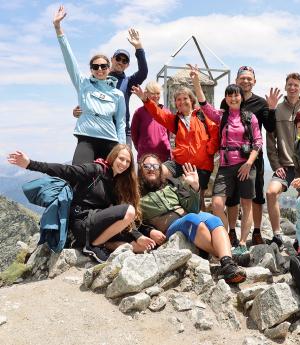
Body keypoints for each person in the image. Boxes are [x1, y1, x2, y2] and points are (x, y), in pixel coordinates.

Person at [7, 144, 156, 263]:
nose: (123, 163)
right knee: (129, 211)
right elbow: (66, 170)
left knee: (138, 246)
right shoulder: (96, 170)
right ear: (113, 157)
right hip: (81, 222)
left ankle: (103, 245)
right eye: (121, 158)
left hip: (96, 224)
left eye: (127, 161)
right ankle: (94, 246)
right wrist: (30, 164)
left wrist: (138, 236)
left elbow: (119, 218)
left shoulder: (118, 184)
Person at [137, 154, 247, 284]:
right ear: (141, 169)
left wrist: (195, 187)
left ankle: (228, 264)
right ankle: (227, 257)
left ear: (160, 169)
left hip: (190, 217)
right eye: (147, 166)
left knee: (214, 220)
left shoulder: (172, 183)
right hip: (170, 228)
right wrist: (149, 231)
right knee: (192, 220)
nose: (151, 169)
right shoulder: (136, 193)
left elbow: (194, 208)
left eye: (155, 166)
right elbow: (134, 222)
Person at [189, 65, 263, 255]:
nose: (233, 98)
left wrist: (248, 163)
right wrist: (196, 80)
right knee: (217, 204)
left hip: (246, 165)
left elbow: (257, 142)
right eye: (230, 95)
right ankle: (223, 238)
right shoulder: (221, 116)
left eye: (236, 95)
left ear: (240, 97)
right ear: (226, 98)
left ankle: (242, 242)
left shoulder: (250, 118)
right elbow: (204, 104)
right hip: (225, 165)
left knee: (246, 204)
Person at [53, 6, 126, 165]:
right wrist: (58, 28)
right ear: (91, 69)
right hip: (86, 137)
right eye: (95, 66)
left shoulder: (117, 94)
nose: (99, 69)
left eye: (103, 66)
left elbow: (121, 122)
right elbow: (69, 59)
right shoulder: (83, 84)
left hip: (110, 140)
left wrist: (122, 147)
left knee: (112, 182)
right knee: (78, 175)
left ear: (109, 68)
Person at [131, 82, 219, 211]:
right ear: (175, 103)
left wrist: (209, 149)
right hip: (180, 163)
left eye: (185, 98)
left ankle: (202, 224)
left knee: (198, 198)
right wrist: (145, 99)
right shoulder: (175, 120)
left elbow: (215, 133)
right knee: (158, 170)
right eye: (178, 99)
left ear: (192, 100)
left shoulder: (202, 115)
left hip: (201, 164)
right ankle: (149, 204)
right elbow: (158, 114)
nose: (182, 102)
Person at [219, 66, 276, 247]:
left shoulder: (260, 103)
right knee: (233, 198)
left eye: (249, 79)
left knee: (255, 196)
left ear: (254, 82)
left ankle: (257, 232)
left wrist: (272, 108)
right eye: (242, 78)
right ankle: (232, 233)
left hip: (253, 159)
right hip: (231, 160)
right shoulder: (226, 101)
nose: (246, 81)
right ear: (236, 81)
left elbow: (270, 127)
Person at [266, 72, 300, 247]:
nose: (292, 87)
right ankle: (277, 235)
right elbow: (270, 139)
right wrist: (275, 165)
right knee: (271, 192)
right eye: (289, 84)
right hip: (285, 165)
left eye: (296, 85)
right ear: (285, 86)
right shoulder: (278, 110)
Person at [73, 29, 148, 148]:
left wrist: (139, 48)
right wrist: (79, 111)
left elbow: (143, 72)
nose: (121, 62)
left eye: (125, 61)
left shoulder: (128, 82)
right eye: (118, 59)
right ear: (112, 60)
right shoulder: (98, 76)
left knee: (124, 162)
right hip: (99, 130)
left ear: (128, 65)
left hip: (123, 130)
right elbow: (86, 96)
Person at [131, 81, 171, 162]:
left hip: (164, 156)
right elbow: (134, 135)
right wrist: (141, 147)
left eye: (158, 93)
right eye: (153, 93)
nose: (156, 96)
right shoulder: (139, 112)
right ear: (146, 93)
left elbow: (168, 134)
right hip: (145, 157)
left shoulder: (167, 112)